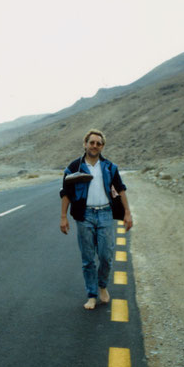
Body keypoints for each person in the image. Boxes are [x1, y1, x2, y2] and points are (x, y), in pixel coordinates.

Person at [60, 129, 133, 310]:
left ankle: (102, 286)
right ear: (85, 144)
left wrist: (127, 213)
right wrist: (63, 217)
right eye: (92, 142)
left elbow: (121, 189)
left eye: (98, 143)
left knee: (106, 256)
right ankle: (92, 295)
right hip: (84, 215)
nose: (95, 146)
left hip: (105, 214)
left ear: (102, 146)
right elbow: (66, 194)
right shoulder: (73, 167)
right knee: (88, 259)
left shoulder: (109, 167)